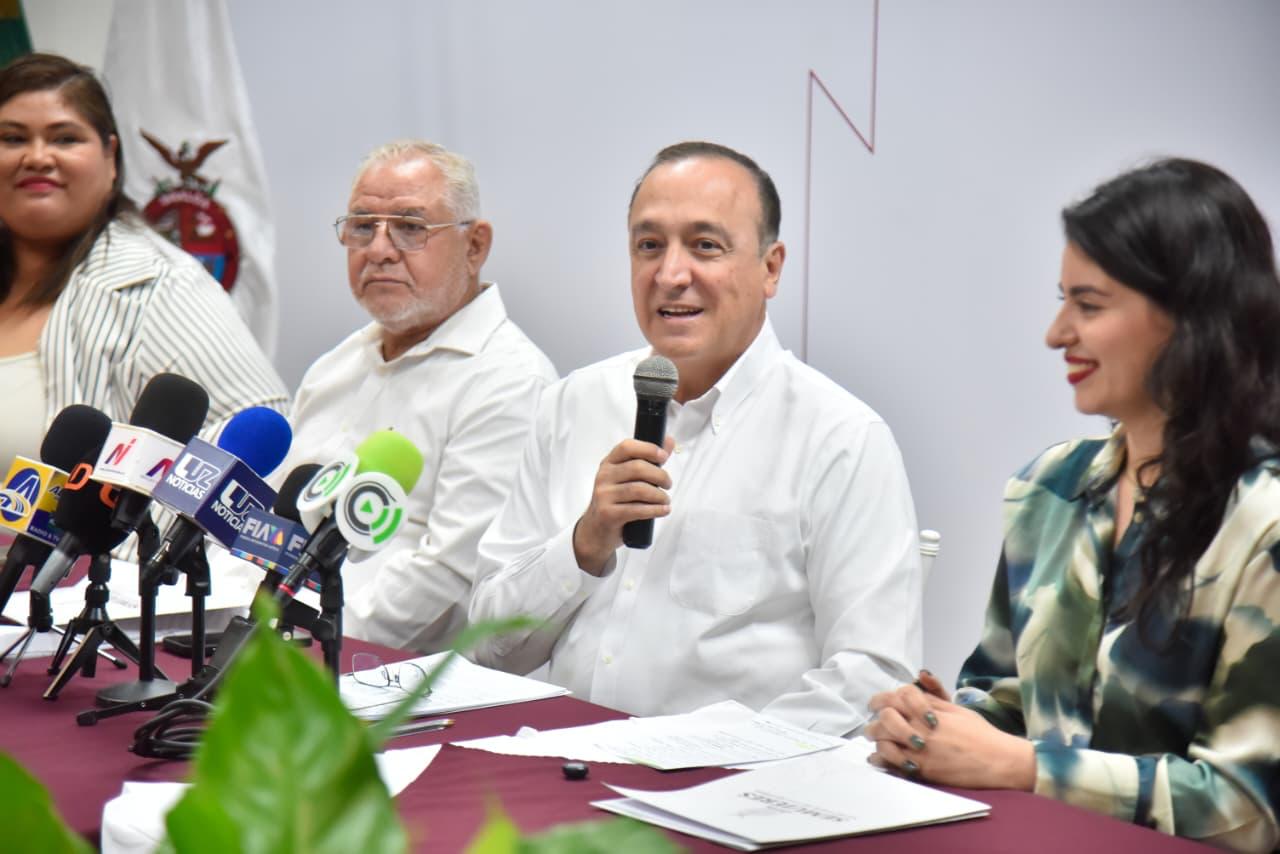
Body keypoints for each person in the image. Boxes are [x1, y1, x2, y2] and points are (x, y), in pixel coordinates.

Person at [866, 158, 1280, 850]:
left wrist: (1027, 768)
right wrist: (934, 725)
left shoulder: (1264, 522)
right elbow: (1004, 696)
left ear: (1189, 317)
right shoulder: (1048, 488)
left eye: (1088, 306)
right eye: (1064, 301)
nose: (1056, 333)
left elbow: (1249, 807)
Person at [469, 141, 922, 735]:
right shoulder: (573, 403)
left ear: (771, 267)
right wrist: (585, 543)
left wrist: (697, 759)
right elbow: (487, 648)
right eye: (649, 246)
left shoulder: (840, 439)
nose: (670, 275)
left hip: (739, 783)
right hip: (564, 766)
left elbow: (870, 680)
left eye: (705, 246)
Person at [282, 140, 556, 651]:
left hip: (385, 676)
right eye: (362, 226)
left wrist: (310, 647)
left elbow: (449, 574)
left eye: (410, 227)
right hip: (274, 645)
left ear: (475, 246)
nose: (379, 250)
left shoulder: (509, 381)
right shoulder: (335, 366)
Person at [0, 52, 286, 475]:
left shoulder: (163, 285)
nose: (38, 157)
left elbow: (257, 434)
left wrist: (128, 512)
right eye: (12, 139)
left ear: (110, 158)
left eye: (65, 139)